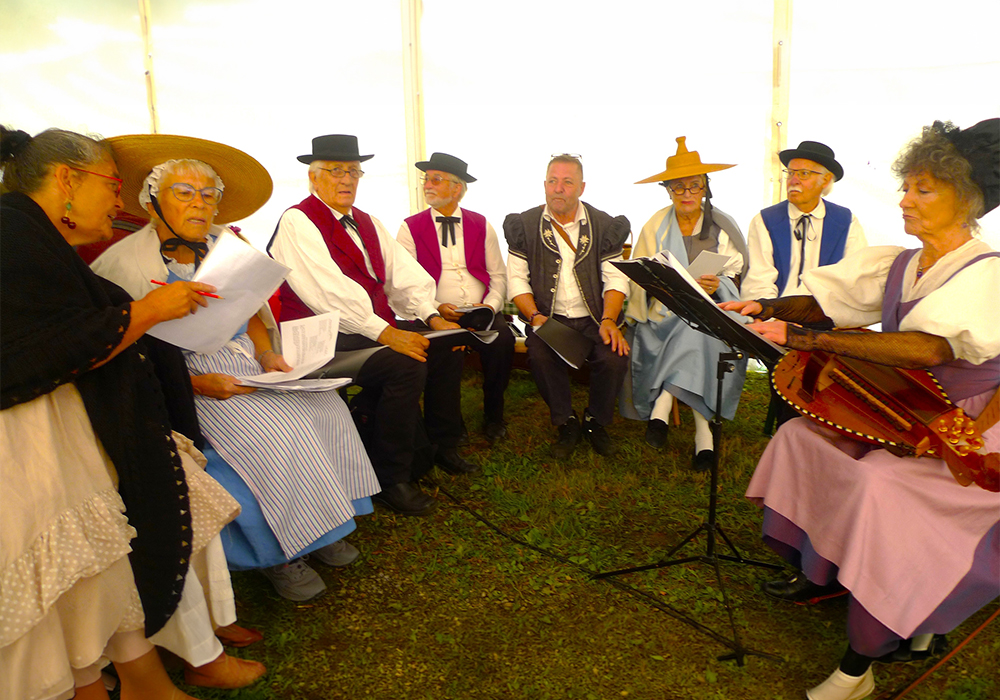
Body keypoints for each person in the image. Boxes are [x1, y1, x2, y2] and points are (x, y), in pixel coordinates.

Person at [720, 118, 1000, 700]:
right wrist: (768, 307)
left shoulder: (989, 272)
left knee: (880, 483)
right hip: (905, 411)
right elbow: (827, 301)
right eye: (907, 186)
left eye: (924, 190)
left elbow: (927, 348)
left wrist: (806, 339)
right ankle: (824, 571)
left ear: (968, 199)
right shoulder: (900, 264)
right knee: (800, 439)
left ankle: (863, 659)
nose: (905, 200)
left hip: (972, 428)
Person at [91, 135, 381, 603]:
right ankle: (282, 553)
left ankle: (325, 524)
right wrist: (194, 384)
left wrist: (267, 356)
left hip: (244, 361)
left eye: (209, 195)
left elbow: (252, 313)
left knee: (325, 408)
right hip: (182, 378)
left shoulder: (225, 244)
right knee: (272, 434)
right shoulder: (121, 264)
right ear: (152, 200)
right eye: (185, 192)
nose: (200, 203)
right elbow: (126, 357)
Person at [0, 126, 226, 700]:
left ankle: (135, 677)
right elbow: (37, 351)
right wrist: (148, 310)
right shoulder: (12, 233)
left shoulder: (31, 234)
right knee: (66, 565)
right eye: (111, 184)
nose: (120, 202)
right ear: (67, 178)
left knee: (94, 560)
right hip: (25, 434)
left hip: (56, 420)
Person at [268, 134, 472, 518]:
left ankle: (440, 445)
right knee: (405, 364)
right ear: (313, 177)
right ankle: (390, 477)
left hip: (365, 332)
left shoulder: (368, 222)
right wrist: (388, 334)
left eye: (354, 171)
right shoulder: (297, 221)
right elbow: (328, 294)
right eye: (336, 171)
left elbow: (404, 276)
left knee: (446, 346)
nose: (347, 179)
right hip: (320, 338)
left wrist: (431, 317)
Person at [625, 138, 749, 470]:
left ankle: (662, 406)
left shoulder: (722, 225)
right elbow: (640, 275)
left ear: (705, 187)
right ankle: (703, 436)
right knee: (694, 329)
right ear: (667, 191)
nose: (686, 193)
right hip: (664, 312)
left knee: (698, 327)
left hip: (713, 310)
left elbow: (736, 274)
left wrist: (718, 283)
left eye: (694, 185)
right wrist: (662, 286)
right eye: (678, 187)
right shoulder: (655, 225)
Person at [505, 154, 631, 458]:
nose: (558, 188)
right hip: (548, 317)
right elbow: (516, 280)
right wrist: (535, 317)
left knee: (614, 357)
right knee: (539, 355)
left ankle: (595, 421)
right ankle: (566, 421)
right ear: (544, 184)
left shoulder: (605, 225)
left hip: (594, 318)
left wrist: (609, 320)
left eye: (567, 182)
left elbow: (615, 278)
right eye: (552, 181)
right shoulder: (524, 225)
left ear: (582, 188)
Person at [397, 152, 515, 444]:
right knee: (444, 349)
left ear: (457, 188)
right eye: (426, 179)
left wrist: (490, 307)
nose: (427, 185)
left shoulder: (481, 224)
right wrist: (437, 309)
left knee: (502, 341)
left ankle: (494, 415)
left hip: (482, 311)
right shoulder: (409, 228)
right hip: (435, 313)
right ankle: (450, 421)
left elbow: (498, 276)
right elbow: (407, 284)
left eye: (436, 179)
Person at [741, 140, 867, 301]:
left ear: (825, 180)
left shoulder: (845, 222)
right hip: (776, 310)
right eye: (790, 173)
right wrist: (771, 311)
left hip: (827, 310)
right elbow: (759, 279)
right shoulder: (766, 221)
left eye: (804, 174)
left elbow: (854, 276)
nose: (793, 180)